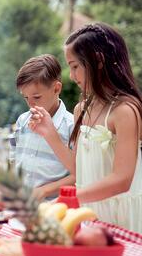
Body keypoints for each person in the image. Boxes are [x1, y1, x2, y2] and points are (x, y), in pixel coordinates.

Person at [29, 23, 142, 233]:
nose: (71, 76)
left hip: (120, 212)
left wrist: (67, 199)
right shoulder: (82, 108)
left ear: (98, 61)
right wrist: (49, 133)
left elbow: (122, 180)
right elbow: (78, 168)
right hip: (88, 209)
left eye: (75, 66)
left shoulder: (125, 110)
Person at [11, 54, 75, 200]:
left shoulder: (72, 126)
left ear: (56, 88)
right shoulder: (22, 121)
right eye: (26, 98)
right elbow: (14, 161)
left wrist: (43, 191)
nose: (31, 104)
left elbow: (79, 175)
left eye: (37, 97)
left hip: (55, 209)